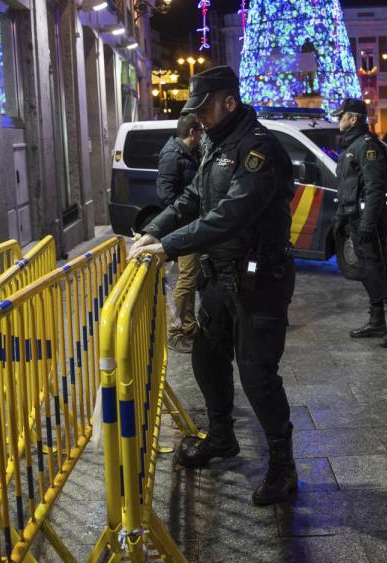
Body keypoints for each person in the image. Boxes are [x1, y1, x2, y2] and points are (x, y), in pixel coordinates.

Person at [129, 65, 298, 505]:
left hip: (259, 280)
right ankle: (222, 437)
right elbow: (192, 199)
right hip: (219, 277)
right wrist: (155, 230)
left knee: (258, 375)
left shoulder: (259, 150)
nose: (198, 117)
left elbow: (230, 215)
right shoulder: (214, 142)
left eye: (204, 108)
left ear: (229, 102)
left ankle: (283, 467)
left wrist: (167, 246)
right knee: (207, 359)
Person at [332, 98, 387, 348]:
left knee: (378, 269)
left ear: (353, 119)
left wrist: (367, 222)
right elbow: (348, 187)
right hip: (353, 217)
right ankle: (377, 321)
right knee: (366, 270)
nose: (338, 119)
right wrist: (343, 217)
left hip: (367, 220)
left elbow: (375, 188)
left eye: (341, 115)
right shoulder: (351, 146)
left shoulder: (367, 147)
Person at [156, 114, 202, 353]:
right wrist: (184, 216)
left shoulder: (188, 154)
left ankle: (188, 325)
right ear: (192, 132)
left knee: (191, 276)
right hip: (184, 226)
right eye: (201, 131)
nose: (203, 136)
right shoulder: (173, 155)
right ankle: (174, 332)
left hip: (192, 223)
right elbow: (166, 194)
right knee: (186, 277)